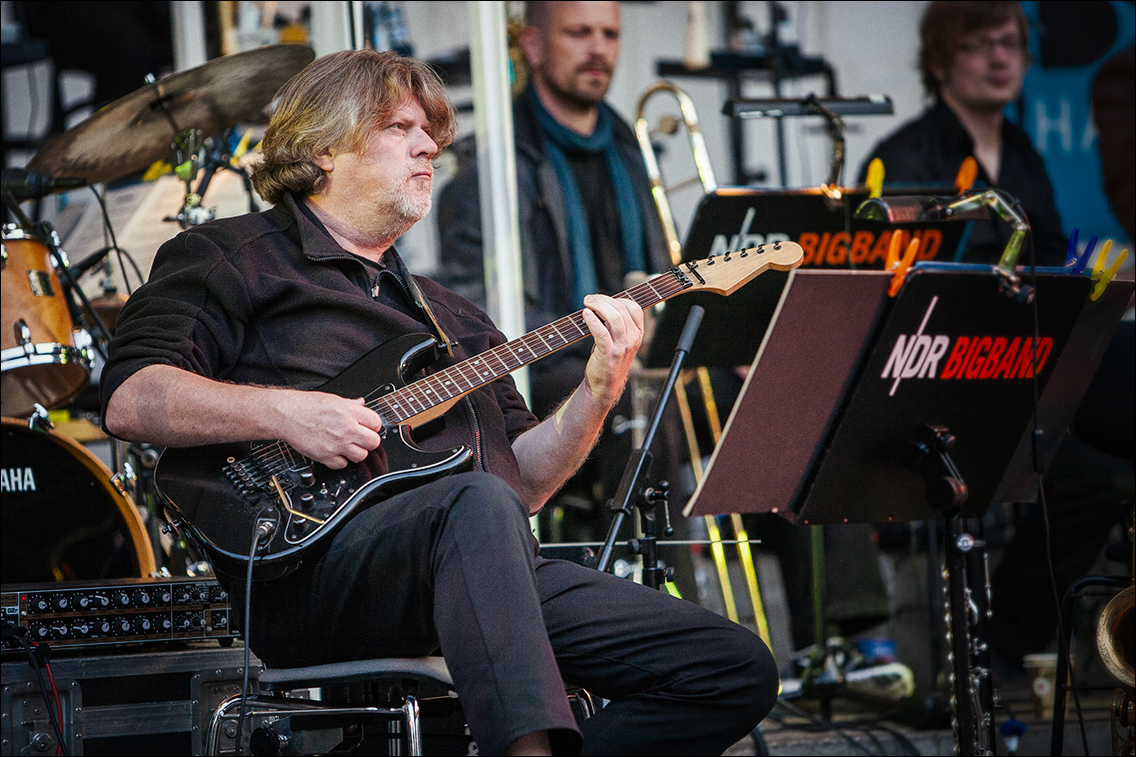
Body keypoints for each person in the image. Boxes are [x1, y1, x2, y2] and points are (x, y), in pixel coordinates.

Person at [100, 50, 777, 756]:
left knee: (733, 668)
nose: (429, 145)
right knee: (478, 503)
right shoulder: (230, 256)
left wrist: (598, 392)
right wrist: (287, 413)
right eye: (399, 128)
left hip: (481, 568)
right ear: (322, 146)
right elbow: (130, 397)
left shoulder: (454, 318)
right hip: (312, 572)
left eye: (430, 132)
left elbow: (530, 482)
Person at [436, 1, 673, 543]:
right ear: (534, 46)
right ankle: (655, 595)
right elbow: (478, 318)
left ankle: (850, 618)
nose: (598, 49)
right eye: (579, 33)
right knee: (643, 402)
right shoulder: (490, 167)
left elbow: (658, 266)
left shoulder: (632, 150)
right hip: (548, 368)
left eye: (610, 34)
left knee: (781, 390)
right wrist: (602, 345)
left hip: (640, 355)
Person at [858, 0, 1067, 265]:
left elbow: (1053, 255)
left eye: (1010, 42)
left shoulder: (1023, 151)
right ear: (937, 63)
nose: (1000, 59)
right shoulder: (904, 156)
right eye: (979, 44)